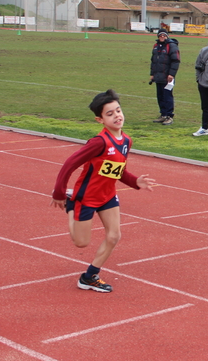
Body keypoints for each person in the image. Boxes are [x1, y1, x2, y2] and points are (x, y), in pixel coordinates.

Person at [51, 89, 155, 292]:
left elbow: (118, 170)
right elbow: (69, 165)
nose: (117, 115)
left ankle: (89, 277)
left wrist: (135, 181)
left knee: (114, 236)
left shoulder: (126, 141)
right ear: (100, 119)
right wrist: (59, 193)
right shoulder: (98, 143)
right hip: (86, 197)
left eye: (118, 110)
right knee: (81, 243)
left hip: (107, 196)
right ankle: (72, 205)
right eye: (110, 113)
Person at [149, 29, 180, 125]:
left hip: (167, 77)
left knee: (167, 96)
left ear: (167, 36)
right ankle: (163, 114)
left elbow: (176, 61)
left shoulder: (171, 46)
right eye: (160, 35)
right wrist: (152, 74)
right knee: (160, 96)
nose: (162, 37)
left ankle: (169, 116)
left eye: (164, 35)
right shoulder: (156, 46)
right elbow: (153, 61)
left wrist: (171, 74)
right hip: (158, 76)